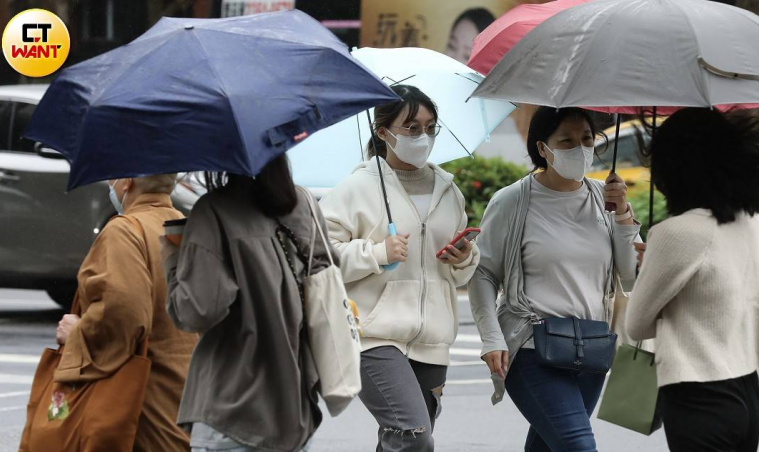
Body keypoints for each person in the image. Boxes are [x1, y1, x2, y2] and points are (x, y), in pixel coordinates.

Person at [469, 106, 642, 452]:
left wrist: (623, 213)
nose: (579, 148)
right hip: (532, 347)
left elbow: (628, 274)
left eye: (586, 139)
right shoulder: (512, 201)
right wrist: (491, 338)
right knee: (578, 446)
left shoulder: (602, 199)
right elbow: (483, 273)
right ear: (542, 149)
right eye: (566, 140)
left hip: (591, 347)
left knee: (549, 447)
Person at [318, 84, 480, 451]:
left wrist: (464, 258)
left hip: (432, 339)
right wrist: (376, 252)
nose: (422, 136)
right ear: (383, 132)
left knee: (401, 441)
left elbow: (460, 271)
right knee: (414, 436)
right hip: (373, 335)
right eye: (411, 127)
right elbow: (321, 257)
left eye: (429, 127)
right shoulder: (355, 188)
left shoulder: (448, 190)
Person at [626, 108, 759, 452]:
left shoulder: (676, 233)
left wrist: (651, 265)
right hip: (746, 391)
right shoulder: (752, 220)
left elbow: (637, 325)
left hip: (696, 395)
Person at [163, 154, 334, 452]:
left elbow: (198, 311)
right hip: (294, 405)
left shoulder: (215, 210)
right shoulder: (304, 204)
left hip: (232, 408)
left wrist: (174, 259)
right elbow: (326, 276)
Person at [52, 174, 198, 452]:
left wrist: (76, 335)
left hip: (140, 400)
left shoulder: (125, 230)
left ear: (127, 181)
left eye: (111, 179)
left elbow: (123, 312)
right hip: (182, 393)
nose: (110, 185)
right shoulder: (181, 225)